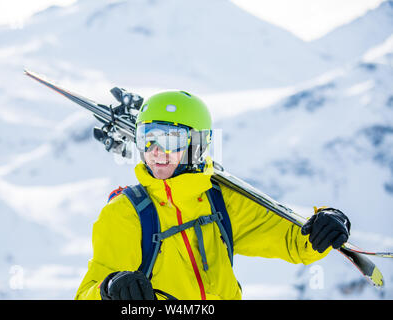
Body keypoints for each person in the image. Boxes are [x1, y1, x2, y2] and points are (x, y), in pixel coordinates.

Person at [75, 91, 351, 300]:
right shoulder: (125, 213)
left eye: (170, 139)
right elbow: (88, 291)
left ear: (197, 144)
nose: (156, 150)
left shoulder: (222, 200)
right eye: (147, 137)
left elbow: (294, 241)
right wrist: (109, 289)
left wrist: (325, 223)